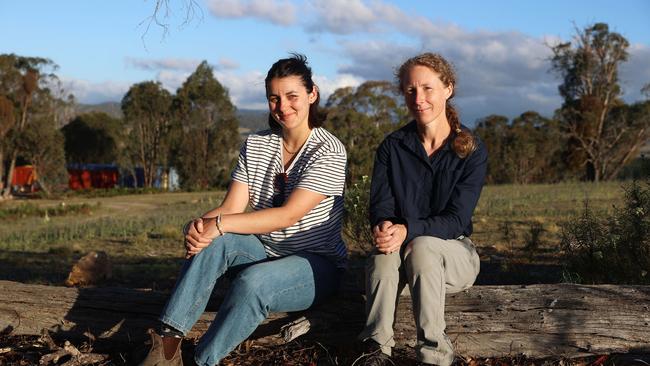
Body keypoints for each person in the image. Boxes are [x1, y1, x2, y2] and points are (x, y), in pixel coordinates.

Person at [139, 54, 347, 366]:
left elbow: (287, 215)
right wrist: (197, 227)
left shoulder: (328, 151)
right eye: (274, 98)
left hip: (315, 265)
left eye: (292, 96)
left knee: (254, 282)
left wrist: (219, 224)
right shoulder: (256, 144)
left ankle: (203, 360)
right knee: (215, 239)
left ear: (312, 94)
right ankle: (167, 348)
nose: (283, 106)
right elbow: (231, 207)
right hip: (263, 249)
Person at [358, 53, 487, 366]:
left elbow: (456, 220)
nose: (419, 98)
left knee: (423, 246)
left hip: (455, 257)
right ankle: (377, 352)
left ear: (448, 88)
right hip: (403, 253)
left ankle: (434, 356)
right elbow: (381, 206)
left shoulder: (471, 150)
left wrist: (407, 231)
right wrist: (386, 229)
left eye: (428, 88)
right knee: (382, 260)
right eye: (411, 90)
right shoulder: (392, 147)